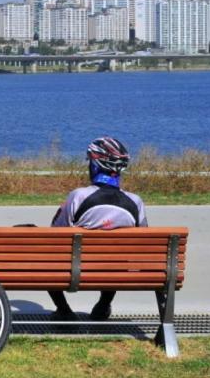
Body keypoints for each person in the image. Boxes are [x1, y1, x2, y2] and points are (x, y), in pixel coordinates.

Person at [48, 136, 147, 322]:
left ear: (94, 165)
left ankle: (64, 309)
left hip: (77, 269)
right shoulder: (135, 202)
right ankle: (103, 304)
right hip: (116, 271)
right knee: (117, 254)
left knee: (46, 253)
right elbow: (142, 239)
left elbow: (56, 234)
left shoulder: (78, 197)